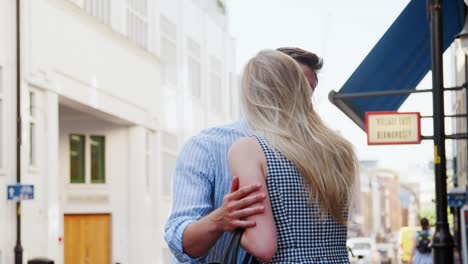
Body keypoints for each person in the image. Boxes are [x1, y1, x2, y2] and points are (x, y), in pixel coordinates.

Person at [164, 47, 323, 263]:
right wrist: (220, 220)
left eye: (309, 91)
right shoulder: (207, 147)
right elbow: (181, 242)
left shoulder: (320, 155)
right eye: (294, 87)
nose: (302, 99)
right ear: (267, 84)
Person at [227, 49, 358, 262]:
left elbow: (263, 245)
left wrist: (234, 228)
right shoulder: (339, 149)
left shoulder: (249, 149)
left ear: (253, 94)